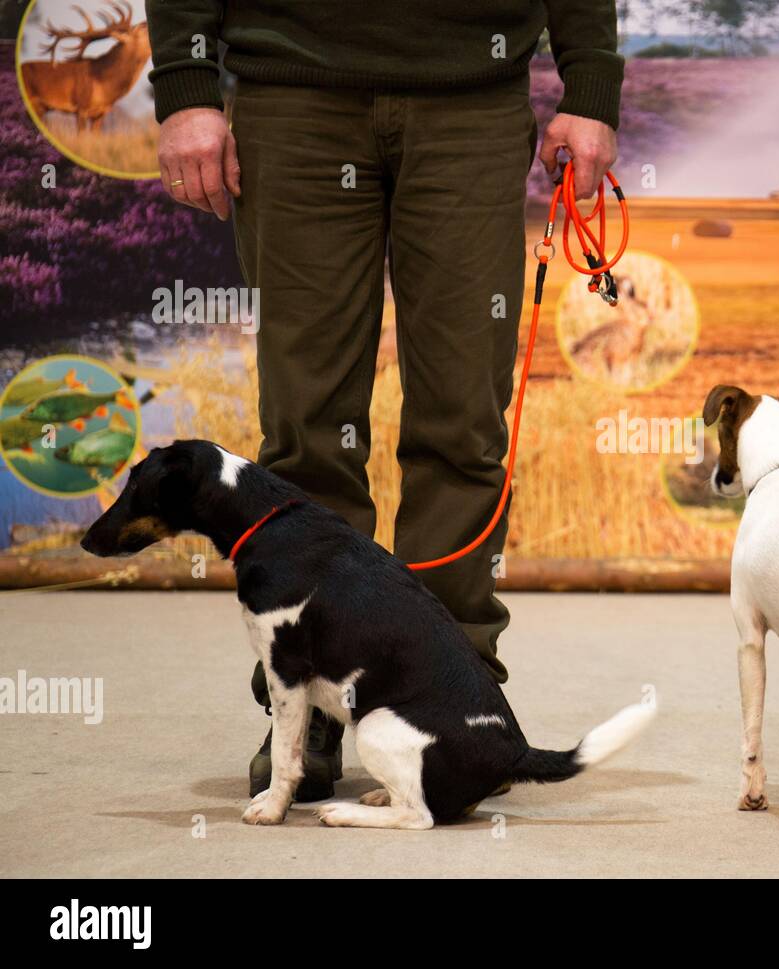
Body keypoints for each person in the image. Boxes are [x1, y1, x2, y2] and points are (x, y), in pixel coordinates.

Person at [145, 0, 622, 801]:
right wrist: (188, 84)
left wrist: (593, 79)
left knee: (463, 422)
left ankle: (450, 696)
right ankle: (314, 702)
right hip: (292, 84)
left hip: (472, 92)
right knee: (307, 431)